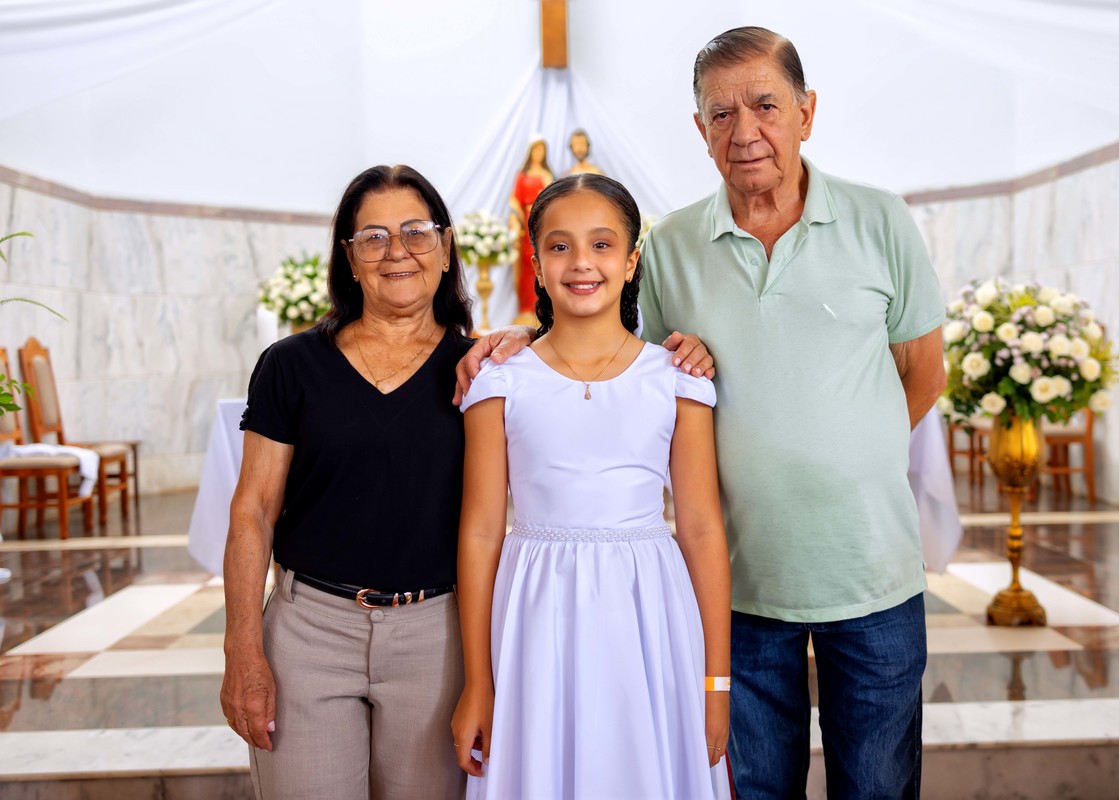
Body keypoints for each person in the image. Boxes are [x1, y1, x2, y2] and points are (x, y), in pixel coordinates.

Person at [458, 25, 947, 800]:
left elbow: (923, 371)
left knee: (878, 787)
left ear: (806, 111)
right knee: (755, 789)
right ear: (700, 130)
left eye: (765, 105)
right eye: (722, 113)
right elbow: (621, 362)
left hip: (870, 572)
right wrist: (523, 337)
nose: (744, 130)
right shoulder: (673, 246)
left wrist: (845, 455)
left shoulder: (880, 220)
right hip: (736, 585)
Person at [451, 174, 732, 799]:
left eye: (602, 244)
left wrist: (716, 684)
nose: (582, 262)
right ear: (536, 264)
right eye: (560, 246)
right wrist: (478, 681)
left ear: (632, 261)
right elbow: (480, 532)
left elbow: (702, 528)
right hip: (534, 611)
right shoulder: (500, 381)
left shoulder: (677, 379)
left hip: (648, 611)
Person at [220, 164, 475, 799]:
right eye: (373, 237)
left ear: (445, 247)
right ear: (349, 259)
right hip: (309, 635)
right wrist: (242, 649)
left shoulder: (480, 369)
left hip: (437, 638)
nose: (397, 252)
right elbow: (253, 510)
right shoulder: (291, 366)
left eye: (416, 232)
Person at [508, 137, 555, 325]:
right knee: (527, 263)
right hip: (526, 222)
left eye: (542, 150)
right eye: (536, 150)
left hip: (541, 221)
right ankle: (525, 309)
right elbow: (515, 201)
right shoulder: (523, 175)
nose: (538, 154)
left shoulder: (547, 175)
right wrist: (517, 220)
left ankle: (542, 307)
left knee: (542, 261)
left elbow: (551, 199)